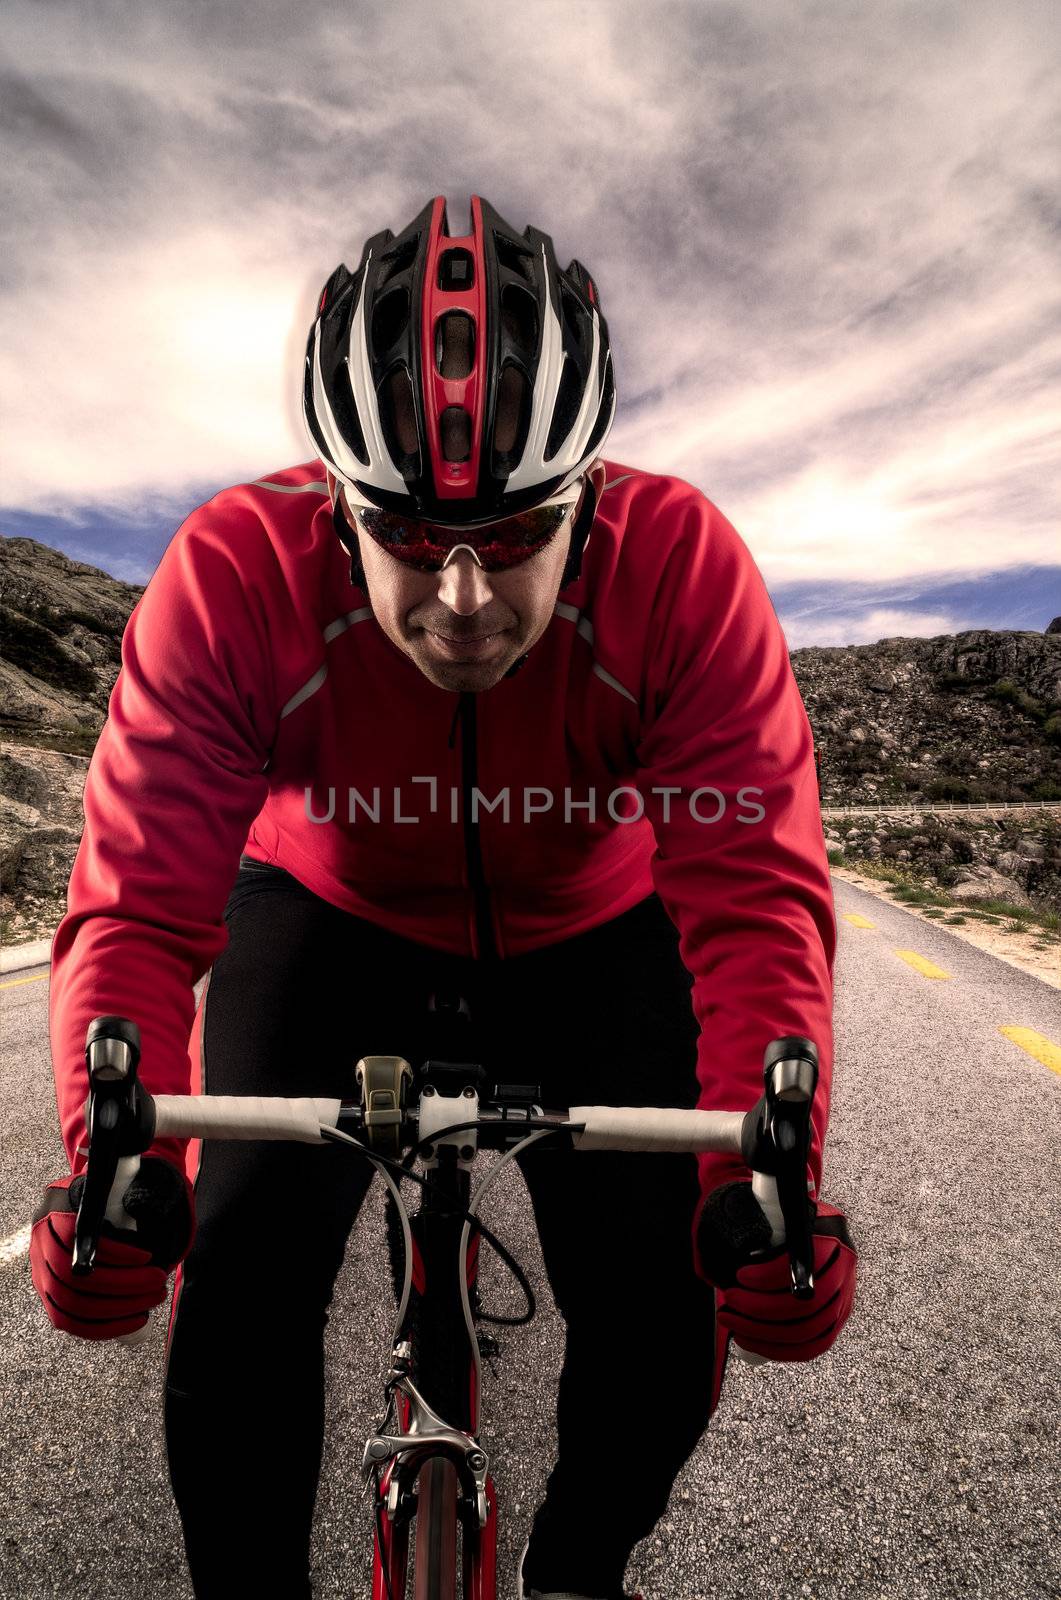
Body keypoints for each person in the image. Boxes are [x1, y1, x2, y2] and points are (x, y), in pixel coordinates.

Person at [31, 194, 857, 1600]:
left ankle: (574, 1574)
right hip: (326, 918)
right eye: (406, 537)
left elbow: (751, 899)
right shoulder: (230, 574)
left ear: (588, 497)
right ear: (336, 500)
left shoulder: (680, 568)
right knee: (231, 1278)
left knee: (667, 1306)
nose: (464, 596)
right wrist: (119, 1172)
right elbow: (142, 910)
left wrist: (759, 1182)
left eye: (520, 529)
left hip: (596, 934)